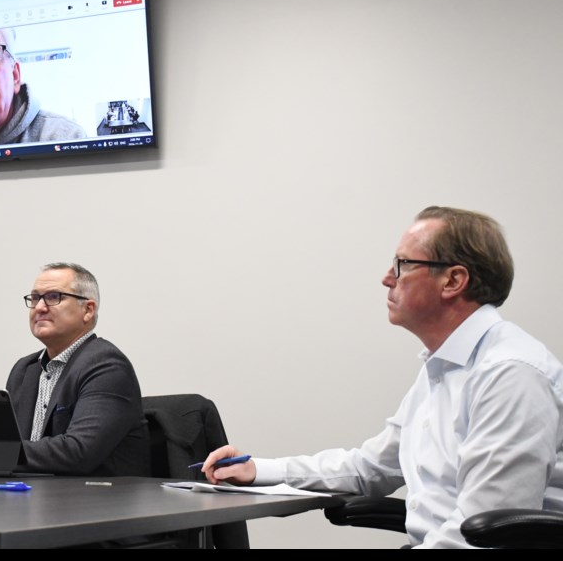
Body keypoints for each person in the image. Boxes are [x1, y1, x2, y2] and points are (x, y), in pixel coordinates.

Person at [202, 206, 563, 549]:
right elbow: (370, 467)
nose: (387, 278)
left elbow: (485, 533)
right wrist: (258, 469)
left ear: (453, 280)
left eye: (403, 264)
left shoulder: (510, 375)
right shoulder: (445, 367)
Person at [6, 262, 150, 476]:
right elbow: (16, 445)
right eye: (35, 298)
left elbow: (78, 452)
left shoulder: (107, 366)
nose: (39, 307)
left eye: (54, 297)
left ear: (88, 310)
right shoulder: (25, 369)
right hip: (35, 497)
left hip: (96, 502)